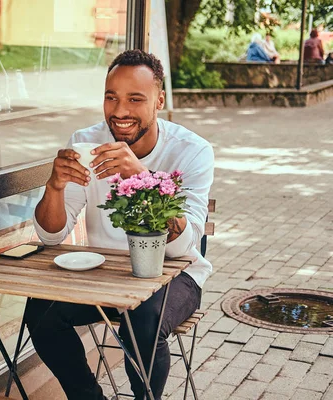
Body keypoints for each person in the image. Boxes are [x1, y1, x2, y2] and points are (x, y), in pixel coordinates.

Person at [25, 49, 214, 400]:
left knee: (142, 320)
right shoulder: (87, 142)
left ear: (159, 101)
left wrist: (143, 177)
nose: (119, 110)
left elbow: (182, 247)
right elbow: (50, 235)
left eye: (134, 99)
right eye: (111, 97)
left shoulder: (192, 151)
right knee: (40, 313)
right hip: (104, 275)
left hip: (175, 275)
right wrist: (54, 186)